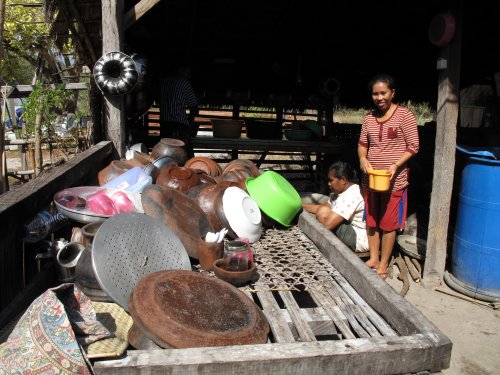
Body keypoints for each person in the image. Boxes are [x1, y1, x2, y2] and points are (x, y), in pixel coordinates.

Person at [357, 73, 419, 279]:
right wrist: (363, 160)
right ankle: (373, 258)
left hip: (395, 180)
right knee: (372, 220)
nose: (379, 97)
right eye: (375, 94)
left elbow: (413, 146)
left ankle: (383, 264)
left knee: (389, 222)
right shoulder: (368, 118)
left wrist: (396, 165)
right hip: (371, 179)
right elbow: (362, 144)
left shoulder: (405, 116)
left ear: (392, 93)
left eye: (383, 93)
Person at [302, 161, 369, 253]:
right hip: (352, 230)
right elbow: (323, 207)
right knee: (323, 210)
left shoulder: (351, 194)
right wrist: (301, 206)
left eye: (331, 180)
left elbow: (327, 224)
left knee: (323, 213)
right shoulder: (340, 193)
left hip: (359, 238)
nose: (329, 184)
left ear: (343, 180)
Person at [158, 61, 199, 157]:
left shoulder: (163, 82)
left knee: (165, 155)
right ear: (181, 69)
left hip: (164, 126)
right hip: (179, 127)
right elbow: (194, 106)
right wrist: (189, 122)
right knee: (184, 157)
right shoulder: (184, 83)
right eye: (188, 72)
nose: (189, 75)